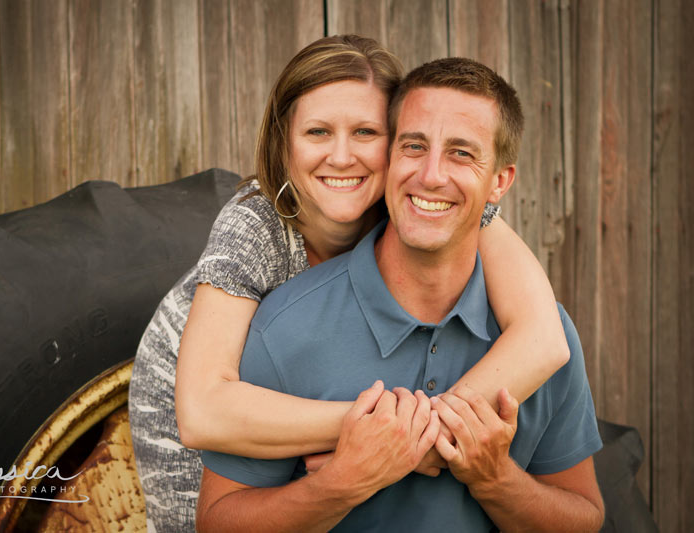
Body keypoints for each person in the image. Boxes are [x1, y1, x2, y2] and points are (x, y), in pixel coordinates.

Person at [129, 36, 570, 531]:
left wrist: (412, 434)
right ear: (284, 143)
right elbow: (202, 412)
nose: (342, 157)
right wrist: (377, 432)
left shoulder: (426, 197)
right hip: (189, 410)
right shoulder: (255, 226)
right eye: (318, 132)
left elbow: (544, 337)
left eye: (366, 132)